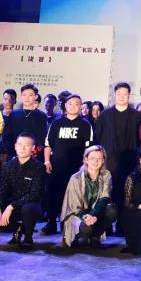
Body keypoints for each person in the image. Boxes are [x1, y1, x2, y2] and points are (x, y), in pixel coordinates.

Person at [42, 94, 94, 234]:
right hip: (56, 166)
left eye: (77, 104)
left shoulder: (85, 124)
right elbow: (48, 144)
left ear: (81, 106)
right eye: (70, 103)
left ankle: (70, 226)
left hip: (76, 168)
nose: (73, 106)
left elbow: (89, 149)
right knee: (52, 194)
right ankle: (51, 223)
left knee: (74, 197)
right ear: (65, 105)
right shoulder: (56, 123)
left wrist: (86, 166)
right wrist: (47, 160)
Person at [0, 132, 44, 247]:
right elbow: (2, 190)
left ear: (33, 148)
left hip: (31, 205)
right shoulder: (8, 166)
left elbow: (34, 194)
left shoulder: (38, 167)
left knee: (28, 209)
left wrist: (11, 206)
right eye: (20, 144)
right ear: (15, 146)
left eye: (27, 145)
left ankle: (28, 237)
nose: (22, 148)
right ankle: (18, 228)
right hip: (12, 205)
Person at [95, 82, 141, 216]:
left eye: (125, 94)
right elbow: (98, 137)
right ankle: (108, 220)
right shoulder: (105, 115)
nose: (122, 97)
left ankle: (124, 220)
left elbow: (140, 139)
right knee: (108, 190)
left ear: (129, 95)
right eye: (119, 94)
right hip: (109, 160)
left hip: (130, 160)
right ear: (114, 95)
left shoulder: (137, 116)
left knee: (127, 191)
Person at [60, 145, 117, 248]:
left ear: (103, 160)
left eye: (99, 159)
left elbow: (105, 198)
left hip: (95, 214)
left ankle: (94, 236)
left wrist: (93, 216)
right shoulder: (76, 178)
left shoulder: (106, 174)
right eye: (92, 158)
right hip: (78, 215)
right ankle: (80, 236)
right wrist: (86, 217)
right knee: (86, 228)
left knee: (112, 210)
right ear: (86, 159)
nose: (96, 161)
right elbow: (74, 207)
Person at [2, 83, 48, 162]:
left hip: (35, 158)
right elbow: (7, 137)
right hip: (14, 157)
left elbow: (43, 138)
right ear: (21, 97)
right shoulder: (13, 114)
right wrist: (14, 154)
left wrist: (33, 153)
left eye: (30, 95)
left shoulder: (42, 116)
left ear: (35, 97)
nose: (27, 98)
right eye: (24, 95)